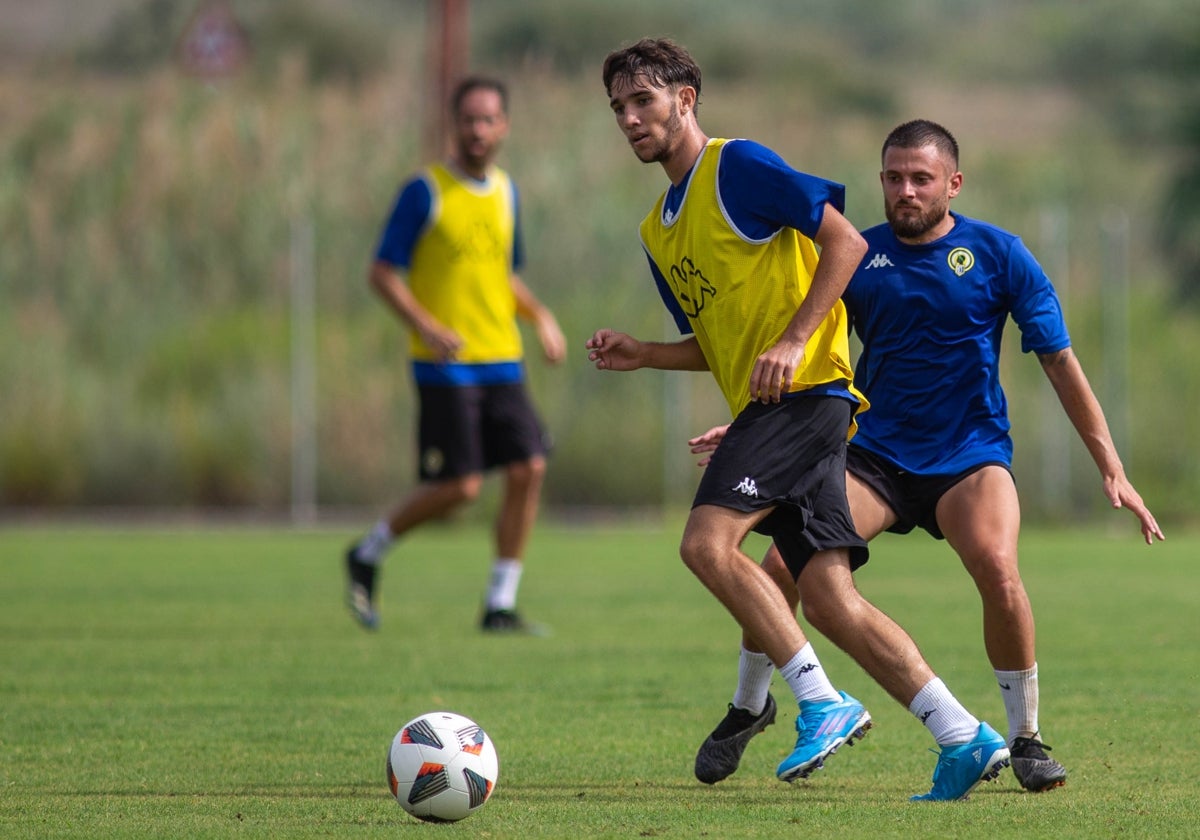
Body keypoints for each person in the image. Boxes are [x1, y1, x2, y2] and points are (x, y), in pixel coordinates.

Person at [690, 118, 1165, 794]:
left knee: (999, 571)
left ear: (953, 184)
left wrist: (1110, 465)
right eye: (892, 178)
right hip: (873, 454)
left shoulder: (999, 254)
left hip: (970, 457)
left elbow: (1060, 361)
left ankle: (1026, 738)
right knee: (780, 565)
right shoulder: (858, 256)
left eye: (920, 179)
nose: (905, 191)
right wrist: (750, 429)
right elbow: (804, 351)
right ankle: (748, 706)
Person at [587, 39, 1008, 800]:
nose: (628, 117)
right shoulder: (659, 229)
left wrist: (793, 340)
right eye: (617, 106)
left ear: (685, 98)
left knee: (706, 544)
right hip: (781, 407)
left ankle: (819, 701)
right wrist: (645, 353)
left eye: (641, 99)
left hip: (810, 393)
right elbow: (721, 340)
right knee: (829, 597)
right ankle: (962, 735)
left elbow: (843, 242)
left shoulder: (738, 166)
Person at [344, 76, 567, 633]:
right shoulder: (425, 191)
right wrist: (427, 324)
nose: (478, 130)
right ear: (454, 124)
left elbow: (503, 277)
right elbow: (381, 272)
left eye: (488, 119)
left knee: (529, 467)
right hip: (445, 364)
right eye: (468, 119)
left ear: (504, 126)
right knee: (462, 487)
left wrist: (541, 317)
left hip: (503, 358)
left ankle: (499, 604)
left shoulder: (507, 192)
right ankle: (367, 551)